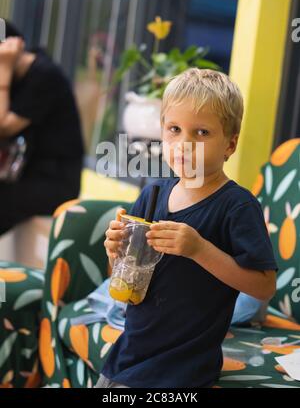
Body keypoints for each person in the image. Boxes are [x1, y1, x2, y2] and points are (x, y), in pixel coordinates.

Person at [96, 68, 277, 388]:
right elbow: (127, 279)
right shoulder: (153, 194)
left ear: (230, 144)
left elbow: (263, 287)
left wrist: (200, 250)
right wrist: (115, 252)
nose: (184, 144)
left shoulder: (236, 206)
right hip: (129, 354)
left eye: (202, 133)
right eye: (174, 129)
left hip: (182, 370)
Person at [0, 21, 84, 235]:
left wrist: (3, 68)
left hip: (54, 183)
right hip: (24, 177)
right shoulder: (17, 77)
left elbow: (3, 127)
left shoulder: (44, 75)